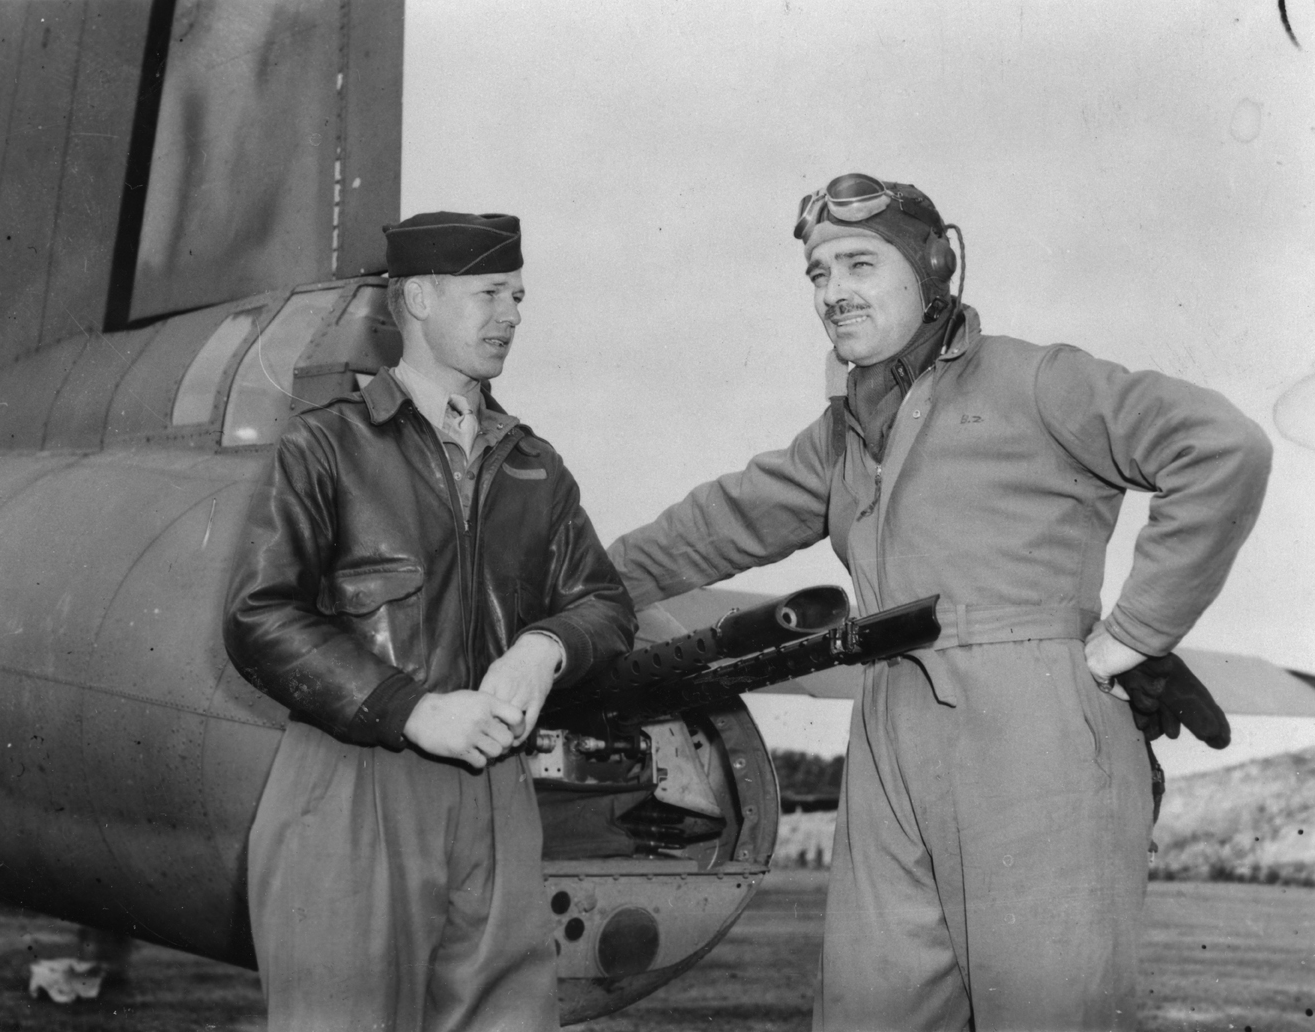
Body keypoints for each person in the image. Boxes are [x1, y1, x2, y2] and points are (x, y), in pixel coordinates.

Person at [607, 174, 1271, 1031]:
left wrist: (1134, 635)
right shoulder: (844, 435)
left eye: (857, 263)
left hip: (1034, 735)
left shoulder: (1037, 382)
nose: (833, 291)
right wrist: (560, 601)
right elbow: (709, 528)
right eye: (817, 274)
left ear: (931, 267)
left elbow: (1220, 446)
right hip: (889, 728)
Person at [223, 211, 635, 1032]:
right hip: (351, 783)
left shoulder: (533, 466)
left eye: (518, 295)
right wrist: (409, 709)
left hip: (494, 794)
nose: (512, 314)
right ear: (416, 298)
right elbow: (259, 616)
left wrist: (542, 649)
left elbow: (605, 604)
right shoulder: (326, 447)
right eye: (490, 294)